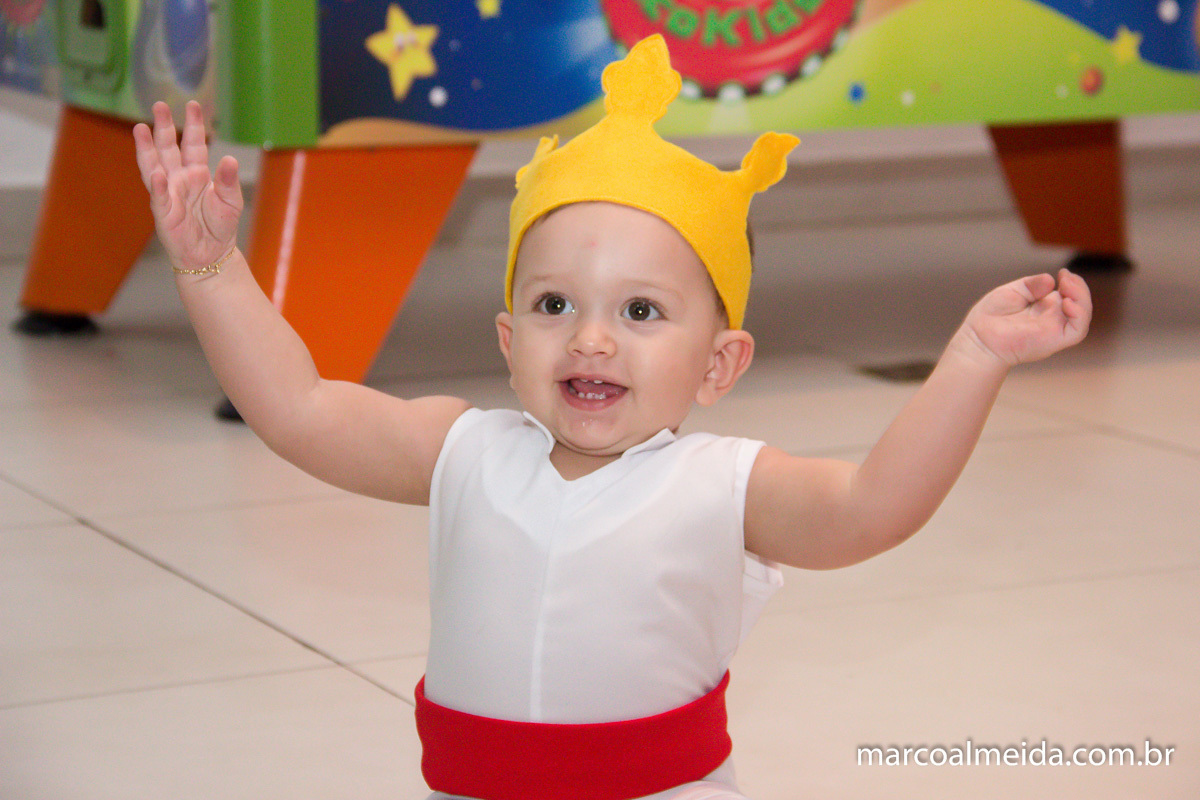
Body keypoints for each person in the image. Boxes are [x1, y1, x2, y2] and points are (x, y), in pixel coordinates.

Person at [133, 34, 1090, 800]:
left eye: (640, 311)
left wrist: (974, 357)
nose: (590, 339)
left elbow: (871, 508)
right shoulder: (462, 449)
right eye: (554, 305)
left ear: (719, 364)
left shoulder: (722, 485)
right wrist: (211, 269)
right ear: (509, 339)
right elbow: (298, 409)